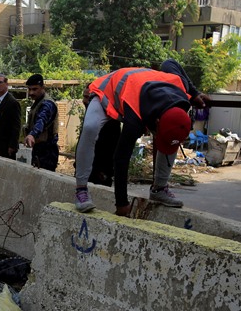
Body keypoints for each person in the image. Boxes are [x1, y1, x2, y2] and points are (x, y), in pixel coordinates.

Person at [74, 59, 209, 215]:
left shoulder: (181, 90)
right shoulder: (135, 118)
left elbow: (170, 63)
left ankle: (159, 189)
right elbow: (121, 158)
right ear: (156, 122)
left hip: (144, 91)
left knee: (172, 134)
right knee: (90, 128)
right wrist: (122, 203)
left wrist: (195, 93)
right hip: (109, 89)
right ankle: (81, 190)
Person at [80, 83, 120, 187]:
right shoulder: (90, 117)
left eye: (87, 97)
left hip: (100, 173)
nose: (84, 101)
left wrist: (105, 171)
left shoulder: (110, 121)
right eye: (84, 97)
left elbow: (112, 149)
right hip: (87, 171)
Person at [24, 74, 59, 172]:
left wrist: (32, 135)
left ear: (42, 88)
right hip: (38, 149)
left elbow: (41, 120)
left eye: (35, 89)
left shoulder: (47, 104)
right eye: (29, 89)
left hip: (47, 151)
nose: (31, 92)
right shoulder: (38, 102)